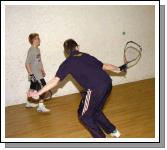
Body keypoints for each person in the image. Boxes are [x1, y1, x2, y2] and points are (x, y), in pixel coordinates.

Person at [29, 39, 127, 138]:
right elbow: (105, 66)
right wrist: (118, 69)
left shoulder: (67, 63)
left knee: (84, 116)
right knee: (95, 111)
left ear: (66, 52)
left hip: (95, 89)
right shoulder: (86, 55)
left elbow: (55, 80)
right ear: (77, 47)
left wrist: (38, 93)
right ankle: (113, 131)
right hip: (107, 83)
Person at [25, 33, 52, 113]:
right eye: (37, 38)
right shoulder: (31, 50)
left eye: (39, 38)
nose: (39, 39)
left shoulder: (37, 49)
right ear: (33, 40)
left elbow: (39, 61)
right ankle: (40, 106)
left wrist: (42, 70)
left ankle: (28, 102)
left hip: (38, 73)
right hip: (35, 74)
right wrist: (31, 75)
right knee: (44, 89)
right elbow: (27, 63)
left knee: (32, 88)